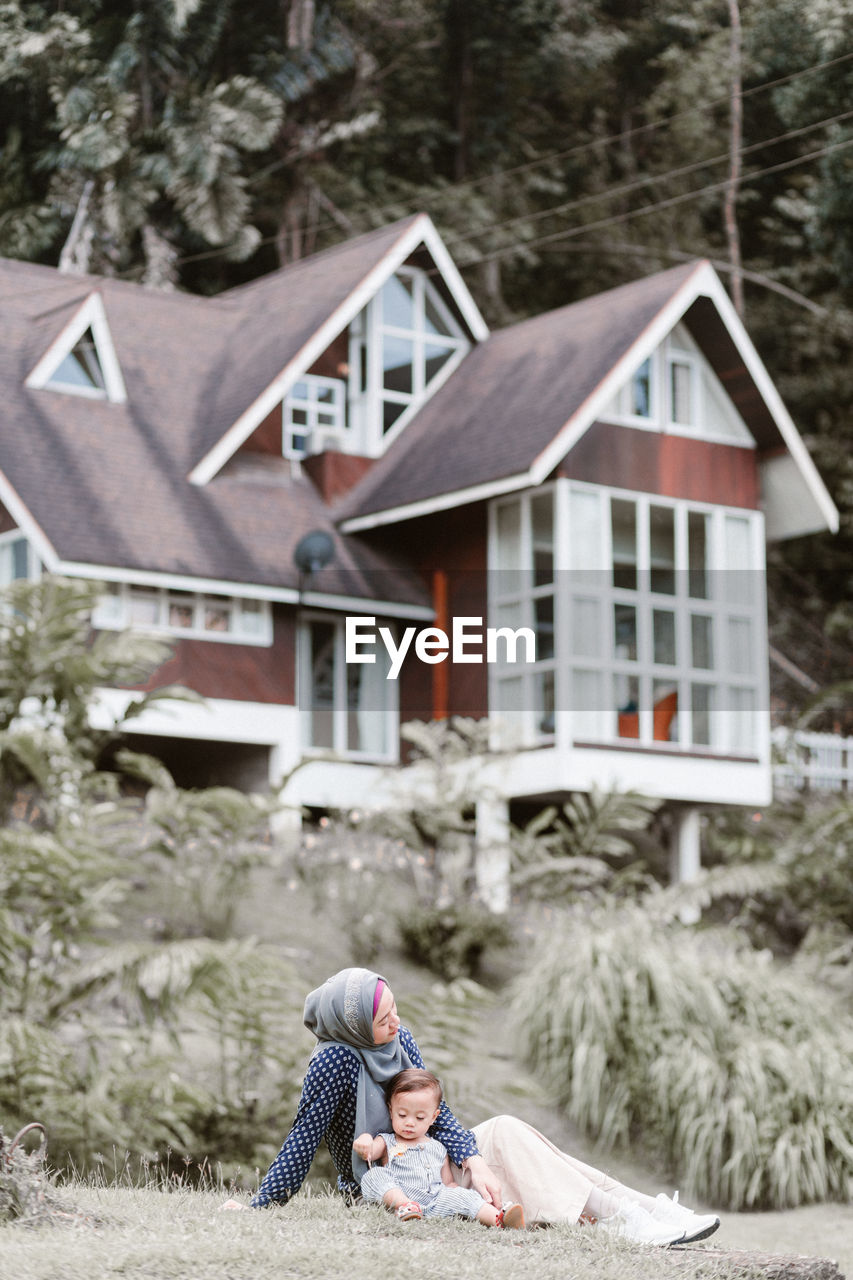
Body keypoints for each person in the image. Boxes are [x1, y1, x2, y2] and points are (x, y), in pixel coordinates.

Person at [224, 967, 719, 1247]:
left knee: (504, 1133)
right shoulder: (334, 1061)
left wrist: (473, 1158)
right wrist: (259, 1208)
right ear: (352, 1026)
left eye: (395, 1007)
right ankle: (626, 1221)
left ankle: (645, 1209)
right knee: (508, 1139)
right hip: (392, 1180)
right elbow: (303, 1136)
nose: (396, 1021)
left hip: (434, 1156)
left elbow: (437, 1111)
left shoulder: (401, 1042)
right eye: (383, 1018)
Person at [354, 1067, 525, 1228]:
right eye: (402, 1115)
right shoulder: (387, 1141)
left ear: (433, 1117)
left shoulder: (438, 1147)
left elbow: (448, 1182)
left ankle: (499, 1219)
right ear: (391, 1111)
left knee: (465, 1196)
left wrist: (458, 1195)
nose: (410, 1122)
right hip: (401, 1195)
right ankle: (405, 1206)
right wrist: (366, 1139)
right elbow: (369, 1152)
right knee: (375, 1175)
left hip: (436, 1201)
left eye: (420, 1117)